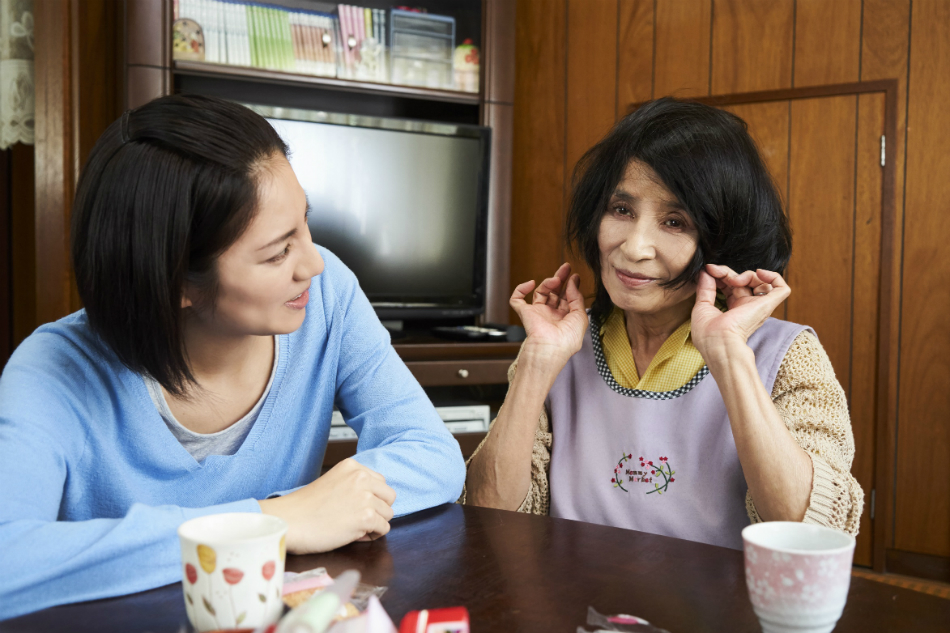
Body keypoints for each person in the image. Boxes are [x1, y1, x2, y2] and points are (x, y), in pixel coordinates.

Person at [0, 94, 465, 620]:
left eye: (305, 225)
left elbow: (431, 454)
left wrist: (306, 513)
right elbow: (8, 560)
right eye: (277, 252)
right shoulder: (55, 370)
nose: (312, 262)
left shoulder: (327, 295)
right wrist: (272, 521)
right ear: (178, 282)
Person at [462, 97, 863, 549]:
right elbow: (487, 520)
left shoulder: (787, 355)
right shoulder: (560, 344)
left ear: (723, 239)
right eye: (621, 210)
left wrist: (730, 355)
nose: (634, 247)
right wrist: (537, 362)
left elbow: (810, 535)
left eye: (675, 221)